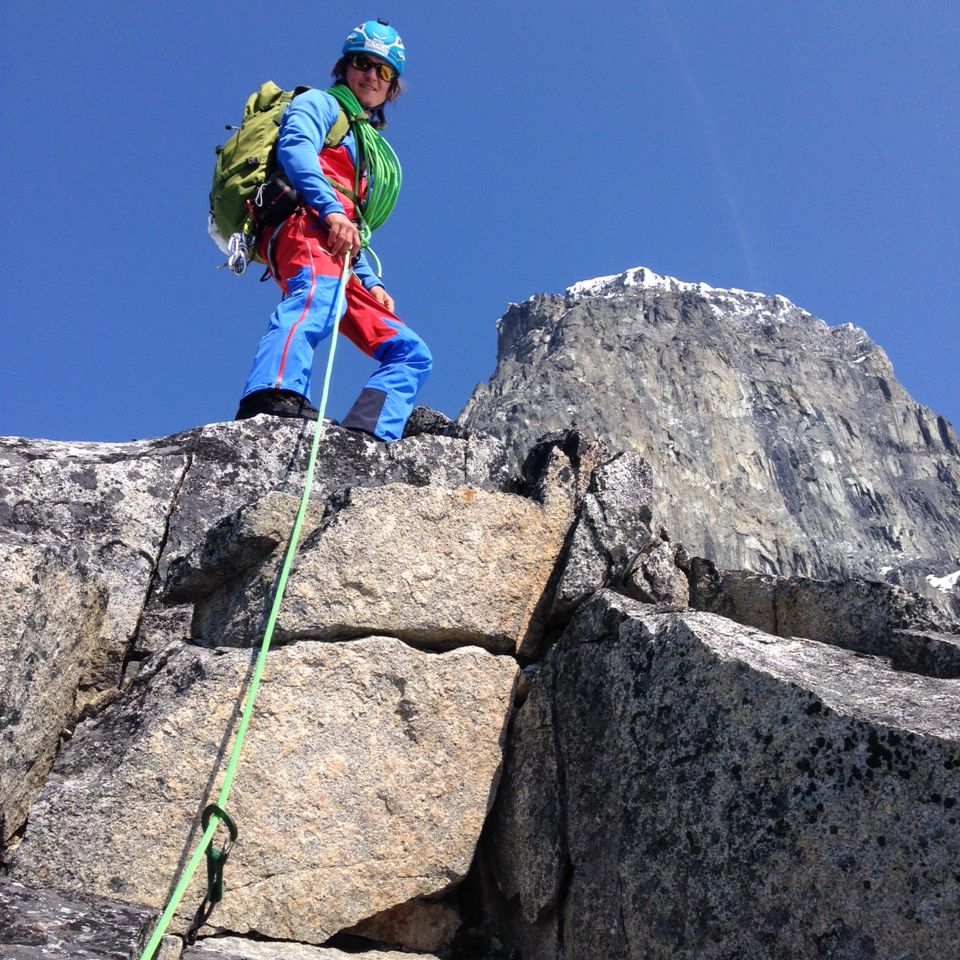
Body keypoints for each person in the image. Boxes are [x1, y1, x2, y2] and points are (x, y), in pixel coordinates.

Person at [235, 20, 432, 441]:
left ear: (392, 86)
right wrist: (329, 211)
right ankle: (272, 395)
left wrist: (370, 281)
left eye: (385, 71)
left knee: (410, 352)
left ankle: (369, 434)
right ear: (345, 67)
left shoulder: (363, 143)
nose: (372, 76)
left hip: (340, 247)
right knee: (315, 300)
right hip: (305, 224)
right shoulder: (322, 105)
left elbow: (356, 221)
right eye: (364, 63)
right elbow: (295, 148)